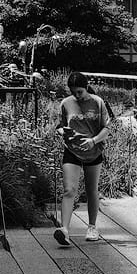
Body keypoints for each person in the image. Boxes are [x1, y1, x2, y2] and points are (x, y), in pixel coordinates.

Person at [54, 71, 112, 246]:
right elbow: (60, 126)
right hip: (72, 150)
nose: (76, 95)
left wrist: (93, 141)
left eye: (79, 91)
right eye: (73, 92)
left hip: (93, 151)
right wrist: (64, 132)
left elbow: (107, 128)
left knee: (91, 190)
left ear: (86, 87)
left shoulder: (98, 102)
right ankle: (64, 229)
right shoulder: (66, 103)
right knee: (69, 190)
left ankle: (92, 226)